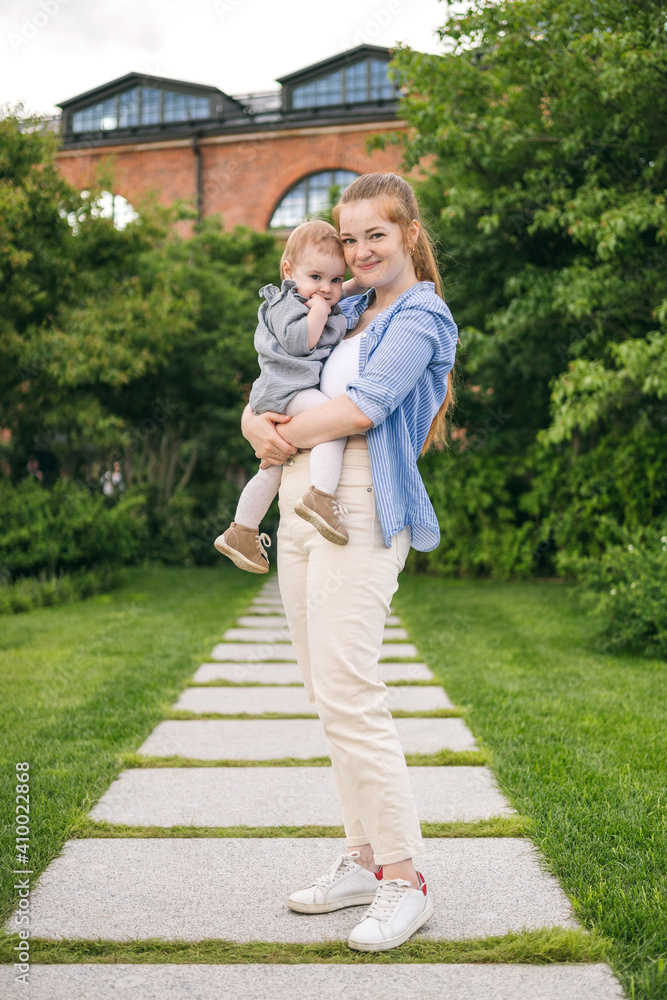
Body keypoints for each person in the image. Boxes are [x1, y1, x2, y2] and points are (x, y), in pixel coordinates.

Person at [240, 173, 458, 952]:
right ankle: (362, 861)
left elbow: (365, 407)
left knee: (350, 692)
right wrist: (252, 420)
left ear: (408, 234)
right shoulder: (344, 303)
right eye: (350, 235)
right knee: (324, 693)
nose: (360, 250)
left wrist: (275, 433)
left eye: (376, 234)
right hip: (300, 495)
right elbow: (279, 372)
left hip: (359, 502)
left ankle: (405, 879)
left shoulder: (420, 315)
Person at [215, 220, 354, 574]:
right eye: (316, 277)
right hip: (286, 392)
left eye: (336, 280)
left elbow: (348, 290)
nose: (326, 289)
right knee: (333, 426)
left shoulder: (316, 299)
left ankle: (241, 531)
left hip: (284, 394)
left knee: (272, 467)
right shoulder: (285, 303)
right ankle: (321, 496)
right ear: (289, 272)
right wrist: (320, 311)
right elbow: (299, 342)